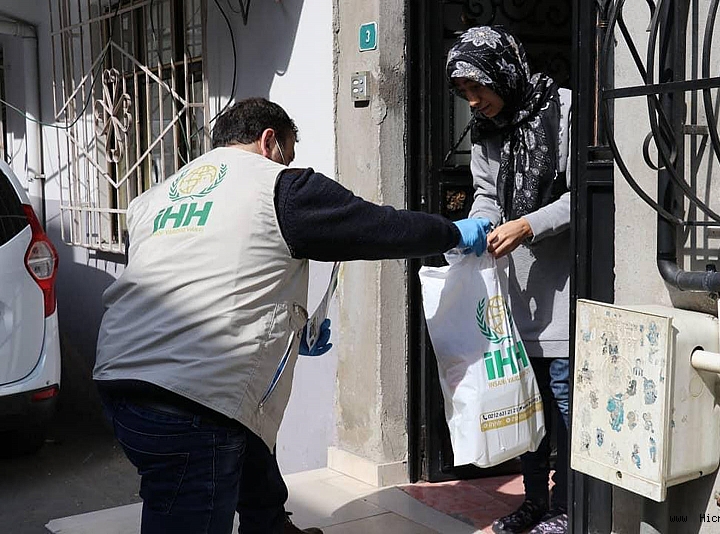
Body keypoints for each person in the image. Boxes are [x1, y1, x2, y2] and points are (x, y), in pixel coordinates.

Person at [93, 98, 491, 534]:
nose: (288, 163)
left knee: (247, 437)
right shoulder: (283, 188)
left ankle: (270, 526)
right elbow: (379, 227)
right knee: (192, 498)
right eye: (288, 152)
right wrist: (452, 232)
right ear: (269, 141)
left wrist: (285, 329)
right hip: (192, 400)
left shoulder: (154, 198)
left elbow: (198, 279)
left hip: (119, 379)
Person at [446, 26, 571, 534]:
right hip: (513, 295)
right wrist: (475, 228)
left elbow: (587, 193)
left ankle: (568, 507)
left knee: (564, 404)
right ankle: (535, 503)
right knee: (526, 405)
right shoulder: (486, 131)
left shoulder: (564, 110)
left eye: (478, 87)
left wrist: (528, 224)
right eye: (464, 93)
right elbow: (485, 194)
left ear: (502, 72)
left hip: (562, 289)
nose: (474, 101)